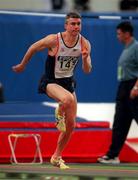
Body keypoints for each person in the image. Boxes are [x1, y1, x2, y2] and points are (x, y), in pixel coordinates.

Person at [12, 12, 92, 169]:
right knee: (67, 100)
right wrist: (22, 65)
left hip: (68, 84)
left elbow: (88, 70)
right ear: (66, 25)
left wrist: (84, 58)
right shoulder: (54, 40)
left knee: (71, 126)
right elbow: (33, 48)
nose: (76, 27)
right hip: (51, 81)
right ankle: (59, 112)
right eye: (73, 24)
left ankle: (56, 156)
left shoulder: (85, 44)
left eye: (78, 24)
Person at [98, 21, 138, 164]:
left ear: (127, 34)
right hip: (123, 87)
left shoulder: (136, 47)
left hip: (133, 87)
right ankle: (113, 155)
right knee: (119, 123)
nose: (117, 37)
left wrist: (136, 87)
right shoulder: (127, 48)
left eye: (119, 34)